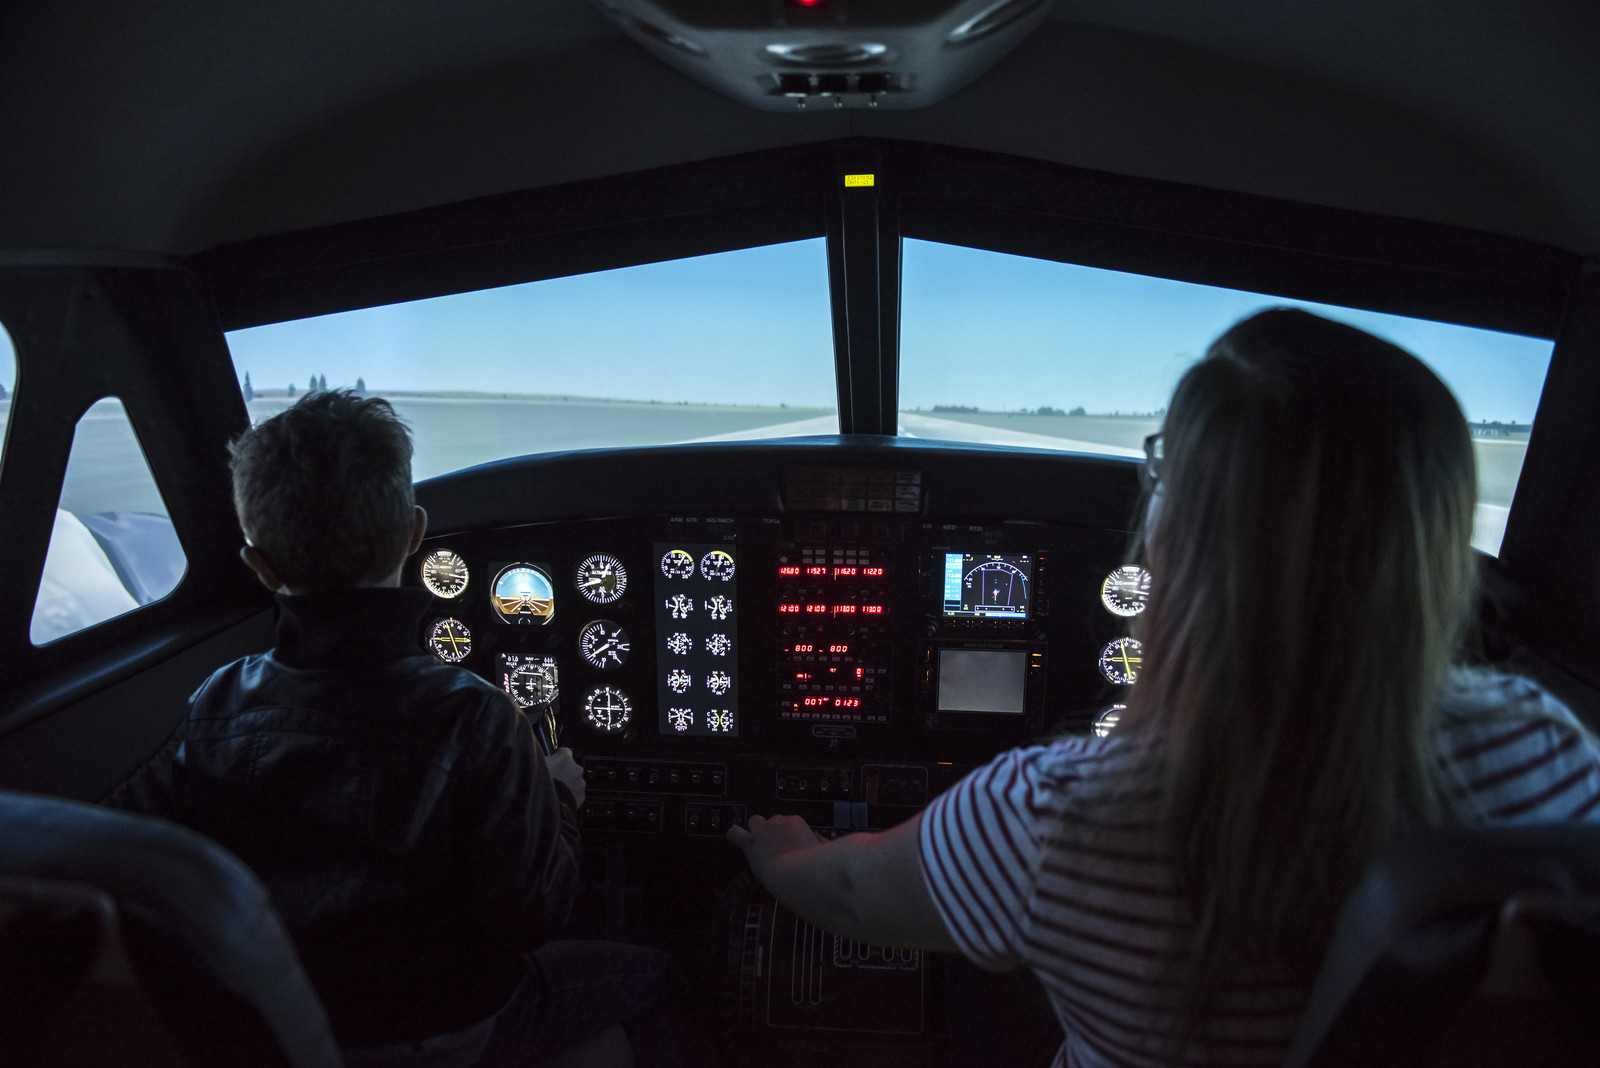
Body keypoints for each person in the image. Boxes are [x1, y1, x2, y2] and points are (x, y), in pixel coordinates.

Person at [728, 308, 1600, 1067]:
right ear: (1432, 542)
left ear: (1181, 532)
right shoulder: (1546, 749)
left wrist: (784, 855)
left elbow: (852, 894)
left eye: (1164, 474)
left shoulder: (1058, 814)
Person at [107, 389, 667, 1065]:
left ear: (261, 566)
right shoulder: (476, 715)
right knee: (662, 977)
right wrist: (559, 798)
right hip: (447, 1027)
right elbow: (535, 914)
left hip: (289, 1026)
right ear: (413, 534)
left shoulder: (217, 702)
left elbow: (126, 845)